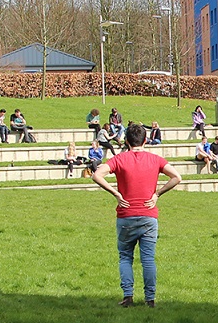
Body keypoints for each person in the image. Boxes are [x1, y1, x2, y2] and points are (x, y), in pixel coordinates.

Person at [90, 125, 182, 308]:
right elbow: (177, 177)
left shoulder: (120, 159)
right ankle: (150, 298)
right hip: (148, 215)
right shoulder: (155, 159)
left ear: (126, 141)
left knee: (125, 257)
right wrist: (158, 194)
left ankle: (128, 296)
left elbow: (96, 175)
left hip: (126, 215)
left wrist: (115, 193)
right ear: (145, 140)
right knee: (148, 259)